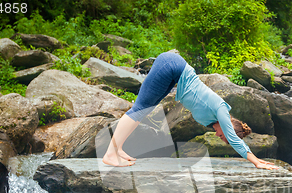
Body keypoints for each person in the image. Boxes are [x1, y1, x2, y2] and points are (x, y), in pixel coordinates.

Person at [102, 51, 278, 170]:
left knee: (143, 110)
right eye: (223, 136)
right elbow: (234, 140)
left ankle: (118, 149)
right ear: (228, 127)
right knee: (139, 108)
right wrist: (256, 161)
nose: (218, 136)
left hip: (174, 72)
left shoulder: (210, 119)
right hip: (172, 65)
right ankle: (110, 153)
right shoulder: (222, 110)